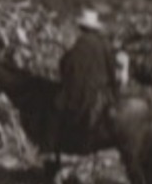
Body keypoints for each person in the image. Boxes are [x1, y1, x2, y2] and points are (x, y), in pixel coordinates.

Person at [51, 8, 119, 159]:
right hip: (104, 93)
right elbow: (113, 70)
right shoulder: (105, 45)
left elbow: (65, 65)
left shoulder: (79, 45)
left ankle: (60, 148)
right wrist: (115, 92)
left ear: (82, 28)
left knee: (57, 109)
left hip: (86, 94)